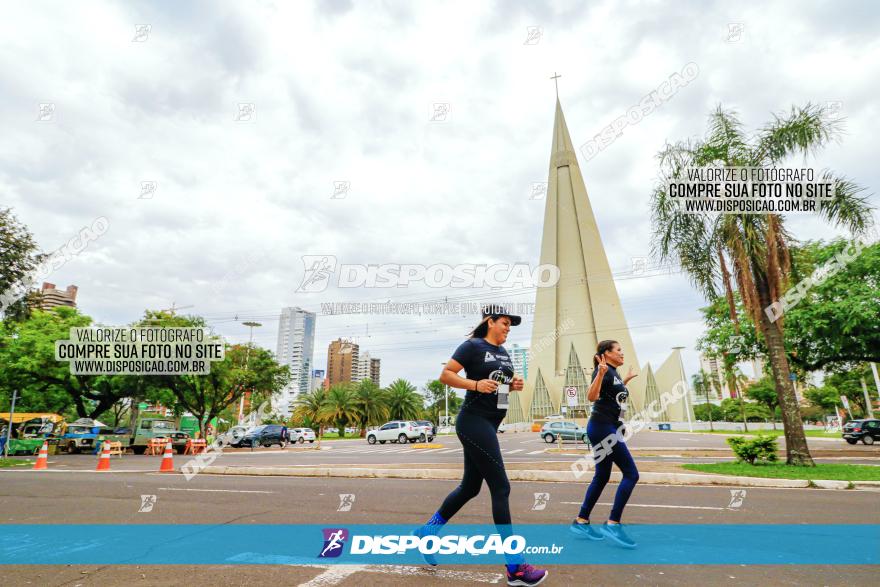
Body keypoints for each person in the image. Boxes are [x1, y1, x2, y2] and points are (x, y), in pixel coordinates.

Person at [414, 305, 548, 587]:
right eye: (504, 323)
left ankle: (428, 532)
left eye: (511, 325)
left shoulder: (504, 352)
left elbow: (497, 385)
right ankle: (515, 567)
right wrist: (475, 385)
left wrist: (511, 386)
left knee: (470, 488)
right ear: (490, 322)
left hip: (489, 423)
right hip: (473, 421)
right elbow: (446, 375)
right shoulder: (472, 346)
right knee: (501, 488)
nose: (508, 328)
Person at [569, 339, 640, 548]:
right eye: (619, 350)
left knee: (602, 476)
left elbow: (611, 397)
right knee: (631, 474)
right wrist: (600, 374)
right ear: (606, 353)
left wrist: (624, 380)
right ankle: (613, 524)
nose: (622, 354)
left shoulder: (614, 373)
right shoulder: (603, 370)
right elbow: (592, 397)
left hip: (608, 427)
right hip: (602, 428)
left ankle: (581, 521)